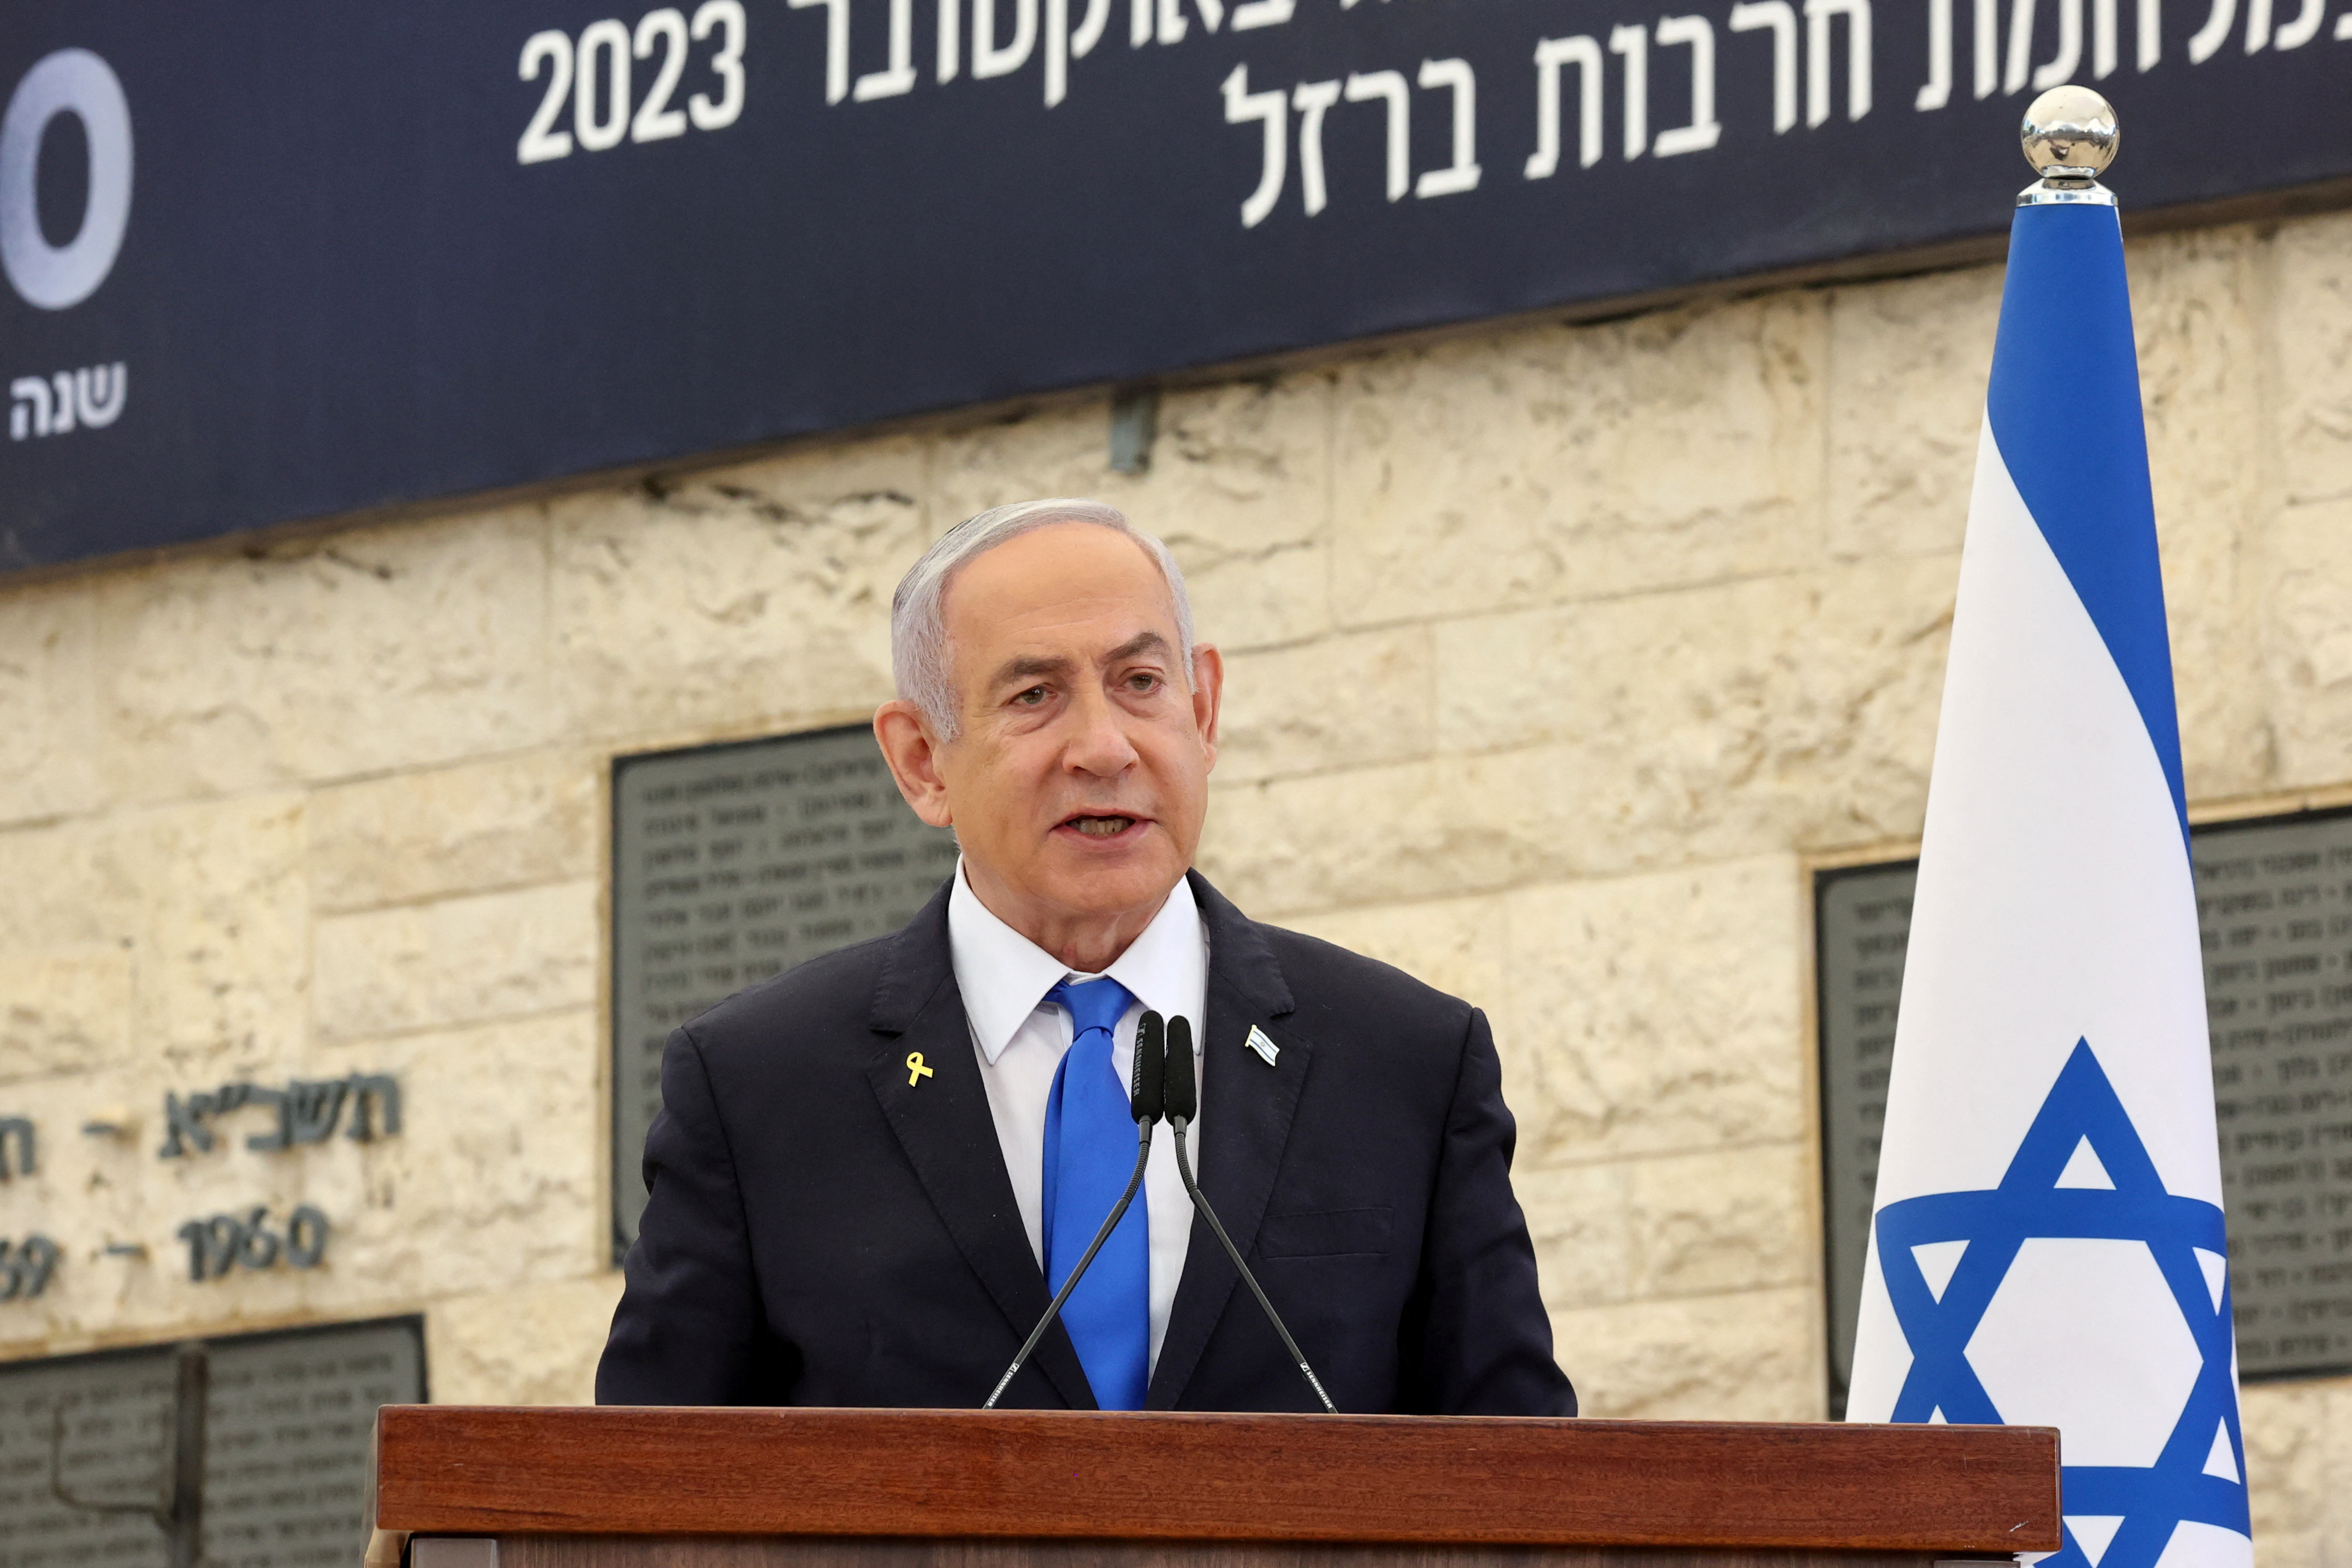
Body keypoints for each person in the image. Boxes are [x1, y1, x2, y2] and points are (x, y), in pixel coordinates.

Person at [596, 498, 1574, 1414]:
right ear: (921, 762)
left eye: (1141, 684)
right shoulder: (757, 1088)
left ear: (1206, 711)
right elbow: (640, 1499)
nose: (1104, 747)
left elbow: (1525, 1486)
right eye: (1035, 695)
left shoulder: (1406, 1062)